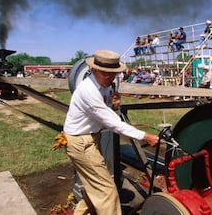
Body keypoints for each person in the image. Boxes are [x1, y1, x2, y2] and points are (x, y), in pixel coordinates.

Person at [63, 50, 159, 215]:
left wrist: (113, 106)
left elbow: (105, 113)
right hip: (81, 142)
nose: (110, 78)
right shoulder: (88, 90)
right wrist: (145, 136)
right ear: (93, 70)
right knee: (107, 191)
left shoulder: (105, 87)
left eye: (113, 74)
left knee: (95, 188)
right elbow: (113, 123)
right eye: (106, 74)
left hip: (91, 138)